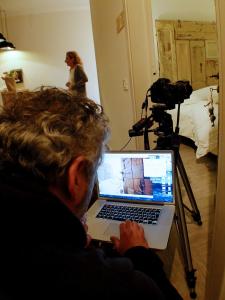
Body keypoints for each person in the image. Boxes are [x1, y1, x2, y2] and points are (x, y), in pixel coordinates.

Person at [0, 88, 182, 300]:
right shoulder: (119, 285)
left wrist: (71, 235)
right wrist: (139, 253)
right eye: (95, 169)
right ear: (76, 178)